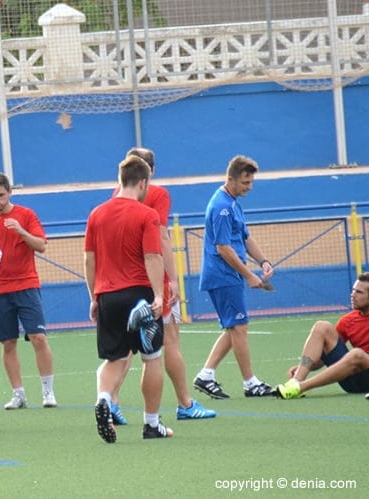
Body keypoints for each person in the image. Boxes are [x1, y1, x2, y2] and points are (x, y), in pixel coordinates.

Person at [106, 148, 216, 424]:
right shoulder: (158, 194)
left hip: (122, 280)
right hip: (151, 280)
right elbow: (161, 237)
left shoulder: (115, 196)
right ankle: (185, 403)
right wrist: (173, 279)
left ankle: (113, 401)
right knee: (170, 341)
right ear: (149, 172)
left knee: (125, 348)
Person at [85, 154, 172, 442]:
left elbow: (89, 259)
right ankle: (151, 423)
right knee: (152, 358)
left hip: (107, 295)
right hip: (139, 298)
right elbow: (152, 255)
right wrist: (159, 295)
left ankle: (104, 401)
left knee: (115, 359)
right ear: (143, 182)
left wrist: (94, 297)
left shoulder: (96, 214)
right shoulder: (147, 215)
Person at [193, 155, 276, 399]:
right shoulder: (222, 207)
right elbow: (223, 248)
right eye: (245, 183)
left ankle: (205, 376)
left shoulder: (232, 202)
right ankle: (250, 383)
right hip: (223, 275)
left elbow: (245, 236)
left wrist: (264, 261)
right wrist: (250, 274)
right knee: (239, 327)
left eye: (251, 183)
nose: (249, 187)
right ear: (230, 179)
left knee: (234, 327)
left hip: (229, 275)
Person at [0, 171, 56, 409]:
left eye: (1, 195)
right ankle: (18, 394)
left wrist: (21, 231)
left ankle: (48, 392)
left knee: (39, 338)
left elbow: (41, 245)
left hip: (26, 285)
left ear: (9, 192)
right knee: (7, 343)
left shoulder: (26, 215)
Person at [274, 273, 369, 399]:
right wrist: (306, 366)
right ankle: (296, 381)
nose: (352, 295)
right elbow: (327, 354)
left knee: (357, 354)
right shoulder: (348, 321)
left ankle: (301, 387)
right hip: (350, 381)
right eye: (353, 291)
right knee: (322, 326)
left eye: (359, 292)